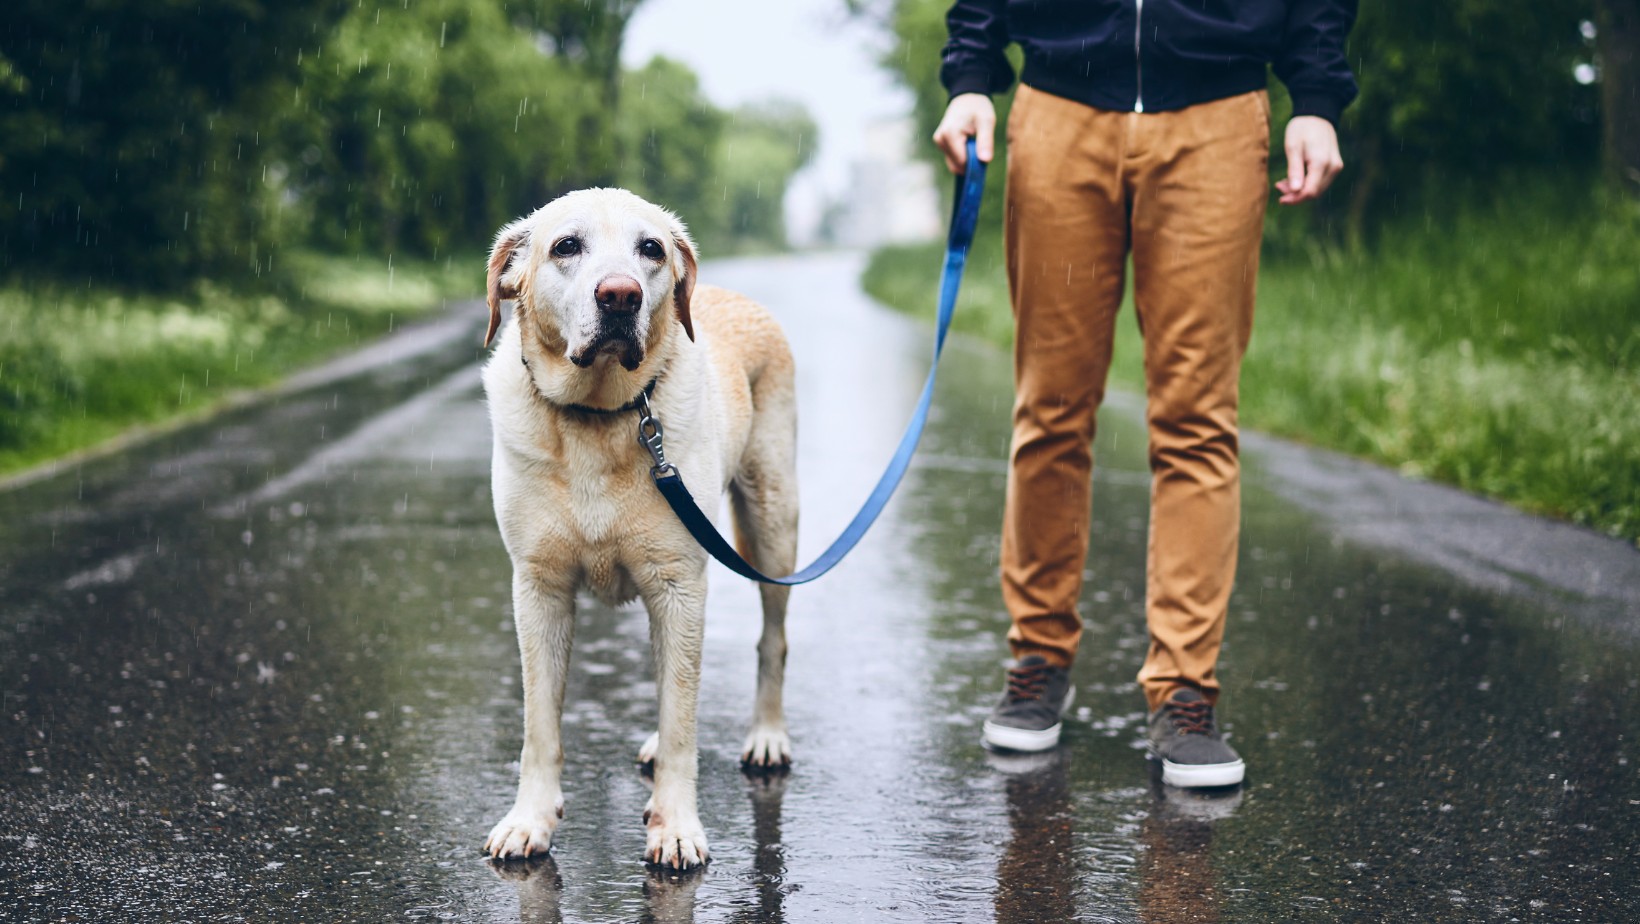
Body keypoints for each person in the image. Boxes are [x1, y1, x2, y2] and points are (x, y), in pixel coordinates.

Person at [932, 0, 1357, 787]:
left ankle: (1186, 690)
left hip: (1219, 113)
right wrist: (971, 74)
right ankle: (1037, 661)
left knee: (1198, 420)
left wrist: (1318, 96)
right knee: (1050, 411)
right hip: (1060, 106)